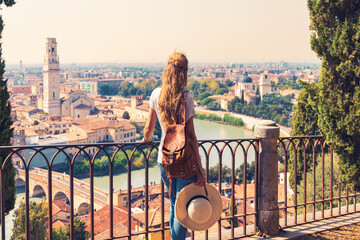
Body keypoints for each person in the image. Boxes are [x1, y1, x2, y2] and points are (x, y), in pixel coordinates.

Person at [143, 51, 205, 239]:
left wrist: (147, 140)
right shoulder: (186, 97)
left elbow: (148, 130)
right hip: (183, 161)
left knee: (173, 203)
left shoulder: (156, 94)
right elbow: (192, 137)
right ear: (184, 73)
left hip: (164, 159)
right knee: (182, 207)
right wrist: (200, 170)